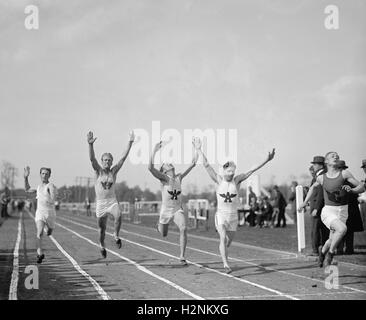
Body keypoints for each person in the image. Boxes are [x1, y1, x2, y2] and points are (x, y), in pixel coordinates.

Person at [196, 142, 275, 273]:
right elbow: (206, 164)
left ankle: (223, 252)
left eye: (233, 171)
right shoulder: (218, 179)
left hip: (233, 216)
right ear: (223, 171)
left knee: (227, 243)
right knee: (222, 237)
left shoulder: (237, 180)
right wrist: (199, 149)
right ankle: (226, 264)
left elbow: (252, 169)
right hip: (221, 215)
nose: (231, 174)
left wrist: (266, 160)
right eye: (229, 171)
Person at [298, 152, 365, 267]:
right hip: (329, 211)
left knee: (331, 239)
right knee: (343, 229)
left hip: (343, 211)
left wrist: (352, 190)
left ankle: (322, 252)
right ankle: (331, 253)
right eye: (333, 156)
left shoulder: (344, 174)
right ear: (327, 162)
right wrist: (304, 202)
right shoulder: (321, 178)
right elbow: (312, 188)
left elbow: (361, 187)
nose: (336, 157)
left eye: (337, 156)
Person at [148, 139, 199, 266]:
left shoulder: (179, 177)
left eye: (170, 163)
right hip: (165, 211)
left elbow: (193, 163)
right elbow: (150, 167)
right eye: (167, 164)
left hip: (177, 209)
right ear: (164, 171)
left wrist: (197, 149)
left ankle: (182, 256)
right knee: (164, 234)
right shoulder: (164, 179)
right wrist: (154, 151)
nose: (170, 164)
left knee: (183, 228)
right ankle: (159, 226)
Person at [87, 130, 135, 258]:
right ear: (102, 161)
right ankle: (102, 245)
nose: (107, 162)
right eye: (105, 160)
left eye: (109, 160)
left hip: (112, 201)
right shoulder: (98, 171)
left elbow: (123, 158)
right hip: (101, 204)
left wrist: (130, 142)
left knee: (119, 215)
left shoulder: (113, 172)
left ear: (111, 162)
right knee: (101, 230)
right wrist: (90, 144)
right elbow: (92, 159)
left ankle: (116, 235)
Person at [24, 166, 58, 264]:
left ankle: (50, 229)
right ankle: (39, 253)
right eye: (42, 173)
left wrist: (52, 196)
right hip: (40, 212)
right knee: (39, 233)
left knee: (49, 231)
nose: (44, 175)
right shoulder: (38, 187)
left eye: (46, 174)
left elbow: (53, 197)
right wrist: (26, 177)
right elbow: (27, 189)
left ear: (49, 175)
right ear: (40, 175)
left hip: (50, 213)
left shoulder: (50, 186)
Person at [335, 160, 364, 255]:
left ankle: (340, 249)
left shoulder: (340, 181)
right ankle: (348, 249)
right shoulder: (351, 181)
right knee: (348, 231)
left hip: (344, 209)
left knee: (341, 230)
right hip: (351, 209)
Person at [308, 156, 329, 259]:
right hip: (319, 206)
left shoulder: (321, 175)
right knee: (321, 229)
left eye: (315, 164)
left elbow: (320, 194)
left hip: (318, 207)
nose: (313, 166)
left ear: (320, 165)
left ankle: (316, 250)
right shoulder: (319, 175)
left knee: (315, 229)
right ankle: (322, 249)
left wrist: (316, 208)